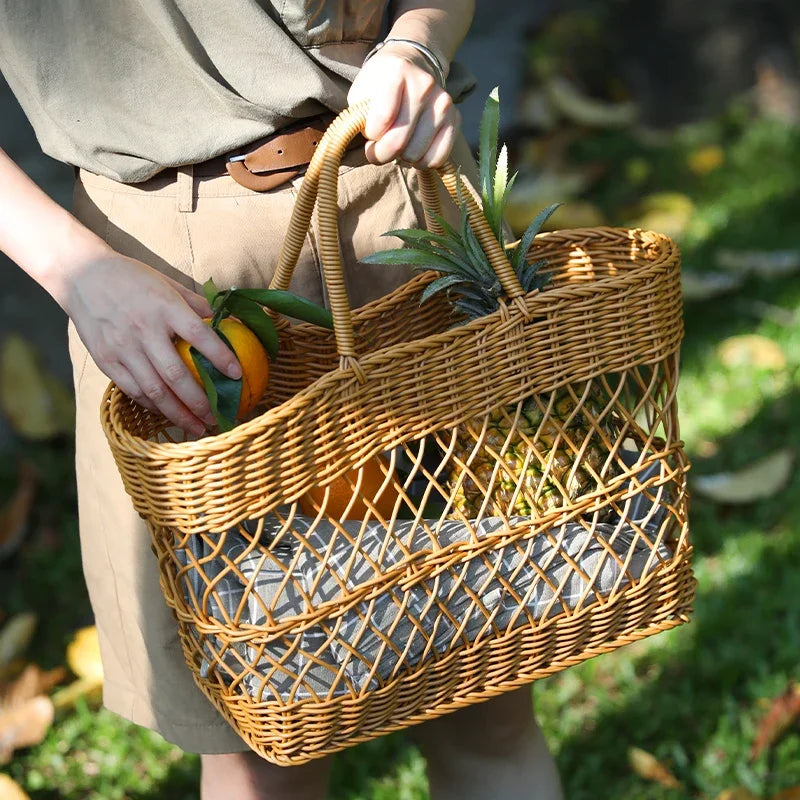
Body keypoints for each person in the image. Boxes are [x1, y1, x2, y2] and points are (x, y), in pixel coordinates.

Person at [0, 2, 563, 798]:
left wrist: (418, 42)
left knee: (489, 685)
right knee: (264, 747)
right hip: (176, 275)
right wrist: (71, 267)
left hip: (402, 202)